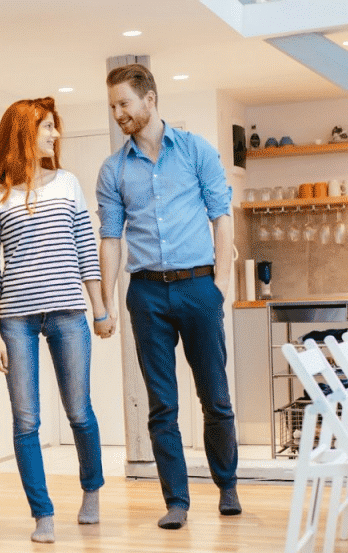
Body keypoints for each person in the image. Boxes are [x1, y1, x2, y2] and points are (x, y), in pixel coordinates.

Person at [95, 64, 241, 529]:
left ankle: (228, 485)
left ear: (150, 99)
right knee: (162, 404)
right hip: (147, 295)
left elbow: (221, 216)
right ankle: (175, 501)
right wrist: (106, 301)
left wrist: (220, 284)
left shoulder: (197, 150)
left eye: (124, 103)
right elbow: (111, 239)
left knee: (215, 396)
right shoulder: (113, 169)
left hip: (199, 287)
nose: (118, 113)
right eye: (113, 106)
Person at [0, 97, 112, 543]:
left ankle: (91, 490)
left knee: (79, 412)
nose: (55, 135)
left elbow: (85, 250)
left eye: (55, 127)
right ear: (24, 134)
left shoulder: (68, 184)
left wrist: (101, 308)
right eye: (48, 127)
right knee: (26, 421)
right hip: (16, 321)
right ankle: (43, 514)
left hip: (69, 313)